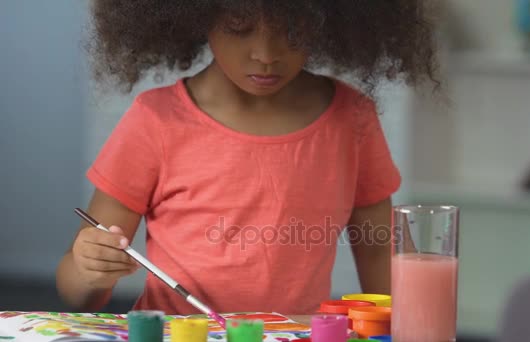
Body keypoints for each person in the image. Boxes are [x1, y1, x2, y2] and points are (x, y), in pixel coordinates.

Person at [56, 0, 437, 315]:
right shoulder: (155, 121)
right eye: (239, 27)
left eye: (292, 30)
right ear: (199, 16)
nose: (266, 54)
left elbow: (381, 257)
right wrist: (91, 270)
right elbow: (76, 291)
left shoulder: (351, 119)